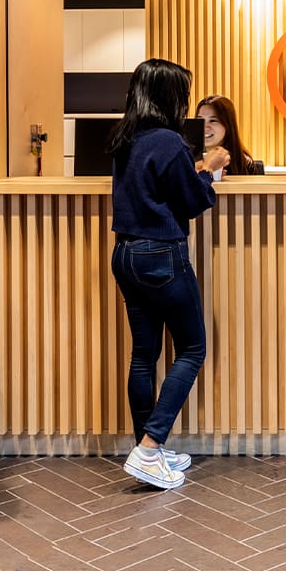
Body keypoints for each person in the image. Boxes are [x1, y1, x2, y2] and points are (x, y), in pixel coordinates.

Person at [108, 59, 230, 490]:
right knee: (193, 349)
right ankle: (149, 447)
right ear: (167, 96)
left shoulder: (126, 139)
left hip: (124, 254)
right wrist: (210, 171)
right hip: (161, 255)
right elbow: (193, 201)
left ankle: (149, 448)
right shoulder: (169, 143)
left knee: (144, 355)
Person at [195, 94, 264, 175]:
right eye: (200, 120)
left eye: (213, 120)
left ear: (228, 125)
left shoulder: (245, 164)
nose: (205, 127)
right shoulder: (186, 160)